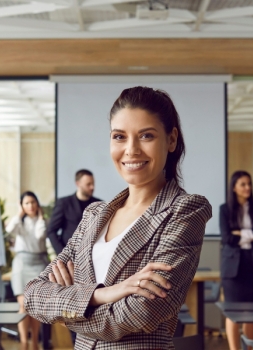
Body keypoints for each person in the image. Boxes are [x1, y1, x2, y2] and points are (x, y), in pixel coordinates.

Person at [24, 86, 212, 349]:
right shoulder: (95, 214)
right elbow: (33, 295)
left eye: (146, 135)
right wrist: (105, 294)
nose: (131, 149)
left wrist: (66, 311)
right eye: (119, 136)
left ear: (171, 140)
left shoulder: (184, 211)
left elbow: (141, 312)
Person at [220, 171, 253, 350]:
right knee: (233, 313)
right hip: (233, 268)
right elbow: (227, 238)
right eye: (243, 184)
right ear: (234, 187)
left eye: (249, 184)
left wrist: (240, 233)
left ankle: (249, 348)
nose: (248, 187)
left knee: (252, 312)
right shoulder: (225, 209)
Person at [6, 191, 48, 350]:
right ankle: (24, 342)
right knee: (23, 305)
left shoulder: (42, 221)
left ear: (37, 204)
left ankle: (35, 342)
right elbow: (9, 230)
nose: (30, 206)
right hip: (22, 264)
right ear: (22, 205)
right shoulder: (19, 222)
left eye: (33, 202)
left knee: (35, 306)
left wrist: (41, 218)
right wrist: (18, 214)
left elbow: (40, 236)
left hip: (39, 262)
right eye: (26, 203)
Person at [47, 169, 101, 255]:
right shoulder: (64, 203)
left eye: (93, 184)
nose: (92, 187)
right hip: (69, 256)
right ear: (78, 184)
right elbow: (51, 231)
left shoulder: (99, 204)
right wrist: (62, 254)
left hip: (92, 255)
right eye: (88, 184)